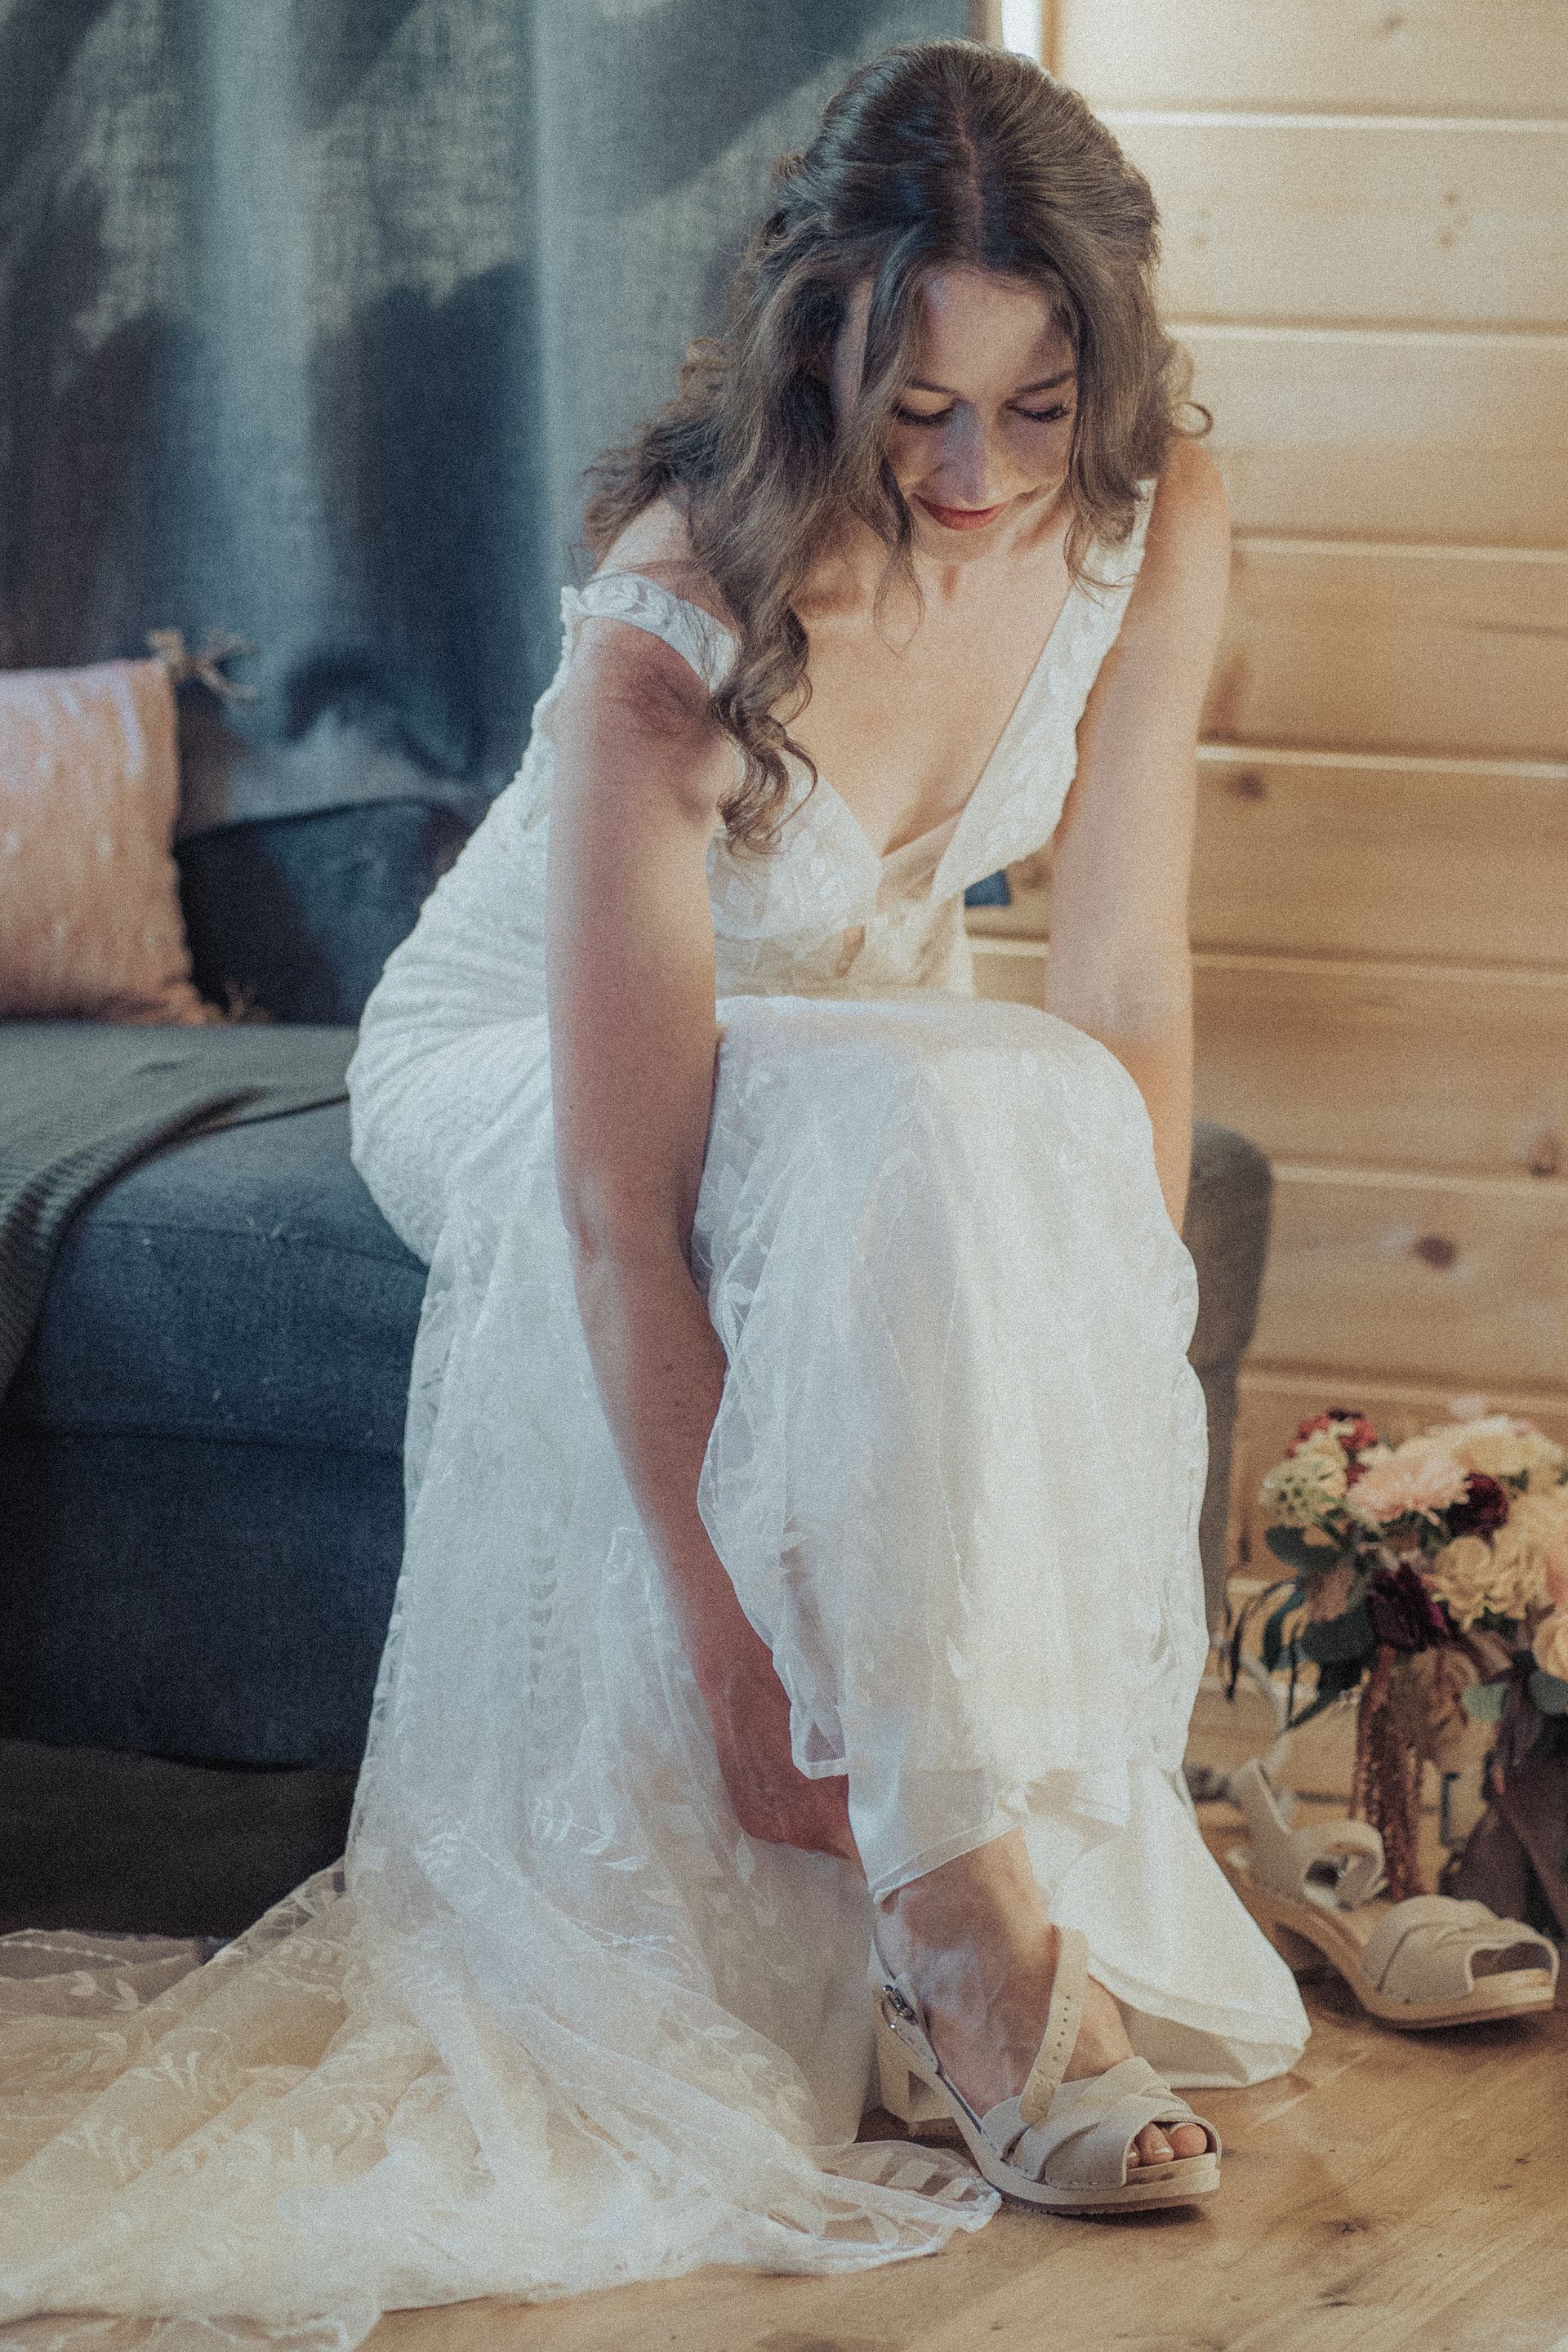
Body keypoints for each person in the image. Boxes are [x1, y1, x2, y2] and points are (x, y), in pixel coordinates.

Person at [0, 37, 1308, 2345]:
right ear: (820, 358)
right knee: (924, 1114)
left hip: (852, 1048)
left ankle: (1017, 1872)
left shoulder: (1154, 508)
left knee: (1000, 1109)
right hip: (521, 1067)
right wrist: (734, 1643)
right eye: (918, 410)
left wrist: (1134, 1355)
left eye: (1035, 403)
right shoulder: (682, 606)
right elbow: (624, 1207)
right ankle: (961, 1934)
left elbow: (1117, 979)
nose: (980, 475)